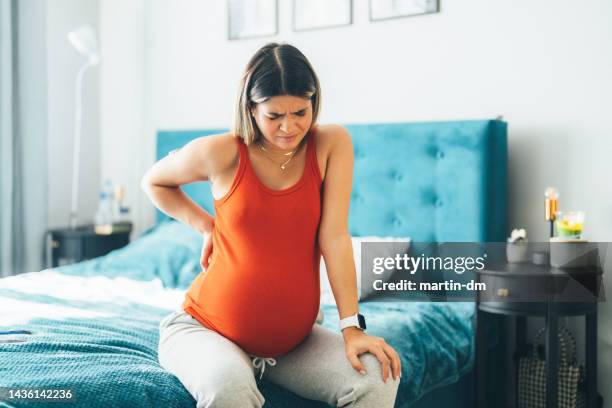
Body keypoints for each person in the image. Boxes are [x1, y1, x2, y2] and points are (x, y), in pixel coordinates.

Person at [142, 42, 401, 408]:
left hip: (292, 346)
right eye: (274, 115)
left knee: (376, 376)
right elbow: (154, 181)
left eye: (300, 111)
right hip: (205, 330)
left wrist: (351, 327)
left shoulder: (331, 144)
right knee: (227, 386)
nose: (289, 126)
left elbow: (335, 237)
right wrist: (205, 226)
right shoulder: (220, 152)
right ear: (251, 107)